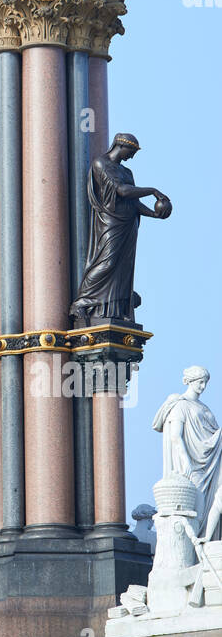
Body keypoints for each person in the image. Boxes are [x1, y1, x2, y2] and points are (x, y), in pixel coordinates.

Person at [71, 134, 171, 326]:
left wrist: (154, 214)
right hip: (111, 223)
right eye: (131, 152)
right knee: (107, 262)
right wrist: (152, 190)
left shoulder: (127, 172)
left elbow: (133, 202)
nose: (132, 156)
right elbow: (122, 191)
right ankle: (82, 301)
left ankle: (116, 307)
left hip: (128, 225)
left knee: (124, 268)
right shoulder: (101, 164)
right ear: (120, 145)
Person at [153, 367, 222, 538]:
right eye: (200, 382)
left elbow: (212, 437)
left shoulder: (205, 408)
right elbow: (176, 436)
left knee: (215, 502)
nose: (203, 386)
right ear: (189, 381)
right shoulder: (180, 405)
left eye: (205, 382)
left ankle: (207, 540)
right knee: (197, 508)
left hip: (211, 464)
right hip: (194, 466)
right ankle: (195, 545)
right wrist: (187, 463)